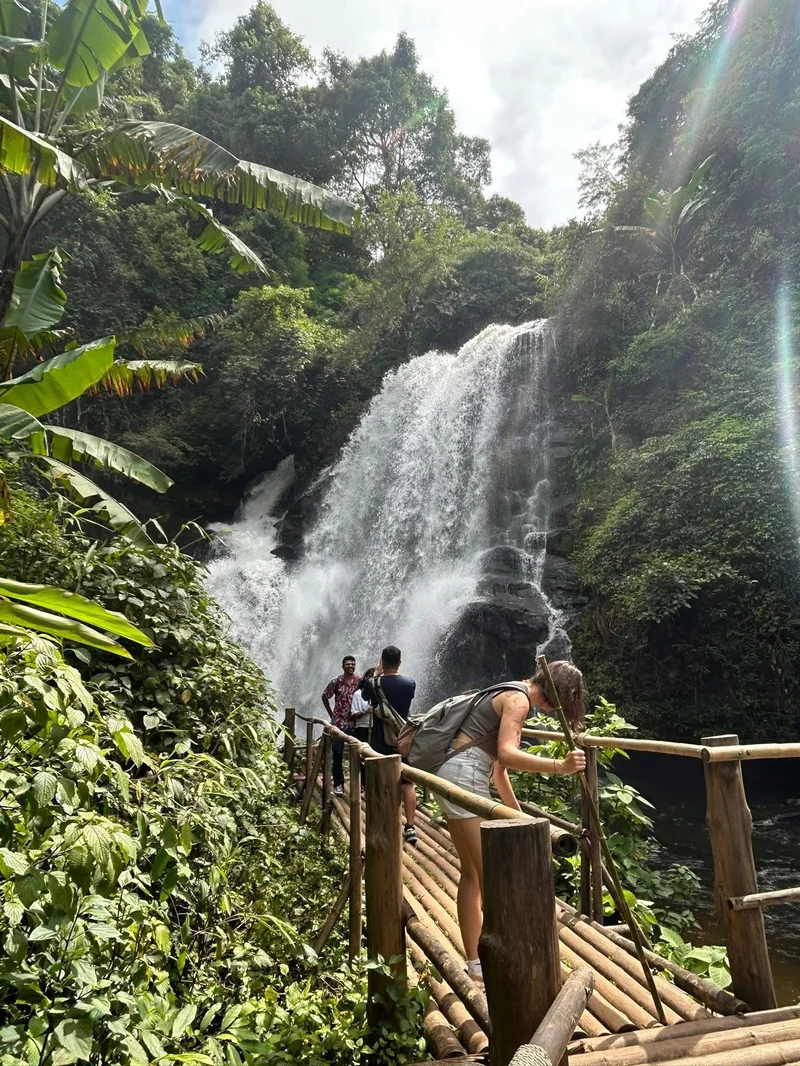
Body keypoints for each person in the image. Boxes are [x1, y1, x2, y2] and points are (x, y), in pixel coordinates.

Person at [434, 661, 588, 988]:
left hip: (454, 773)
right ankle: (503, 960)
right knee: (490, 877)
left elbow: (498, 771)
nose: (553, 709)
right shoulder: (519, 701)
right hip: (463, 776)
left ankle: (475, 963)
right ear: (552, 694)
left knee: (473, 874)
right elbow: (506, 754)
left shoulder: (510, 689)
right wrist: (559, 767)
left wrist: (518, 815)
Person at [369, 645, 418, 847]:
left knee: (381, 781)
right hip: (402, 738)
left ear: (382, 660)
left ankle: (385, 821)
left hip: (380, 739)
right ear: (400, 661)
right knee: (407, 784)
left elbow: (365, 699)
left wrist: (376, 673)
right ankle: (410, 826)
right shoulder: (409, 684)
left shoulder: (373, 685)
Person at [321, 656, 361, 797]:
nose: (350, 666)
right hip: (338, 722)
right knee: (337, 753)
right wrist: (331, 714)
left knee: (359, 753)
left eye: (352, 664)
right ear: (342, 666)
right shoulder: (336, 681)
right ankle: (339, 784)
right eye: (347, 664)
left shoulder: (360, 681)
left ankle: (361, 785)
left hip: (355, 722)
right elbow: (325, 696)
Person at [347, 667, 375, 793]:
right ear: (366, 678)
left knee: (375, 757)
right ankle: (364, 786)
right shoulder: (358, 694)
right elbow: (354, 714)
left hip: (376, 728)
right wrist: (365, 711)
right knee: (364, 757)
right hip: (362, 728)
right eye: (371, 676)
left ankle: (374, 785)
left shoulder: (379, 693)